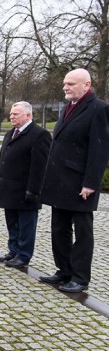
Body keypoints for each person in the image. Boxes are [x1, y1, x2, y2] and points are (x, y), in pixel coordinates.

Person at [38, 68, 109, 293]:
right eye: (64, 84)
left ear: (86, 85)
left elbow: (99, 149)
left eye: (70, 84)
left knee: (82, 231)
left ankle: (80, 277)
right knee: (59, 228)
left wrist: (90, 182)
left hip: (80, 183)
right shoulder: (68, 107)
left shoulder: (99, 109)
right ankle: (64, 271)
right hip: (60, 181)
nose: (65, 87)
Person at [0, 101, 51, 268]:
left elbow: (40, 166)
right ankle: (13, 250)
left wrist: (33, 190)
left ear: (28, 115)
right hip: (9, 189)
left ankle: (23, 255)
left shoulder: (40, 135)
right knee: (12, 222)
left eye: (15, 114)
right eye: (11, 114)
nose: (11, 116)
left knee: (26, 225)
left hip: (26, 190)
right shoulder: (11, 133)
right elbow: (1, 161)